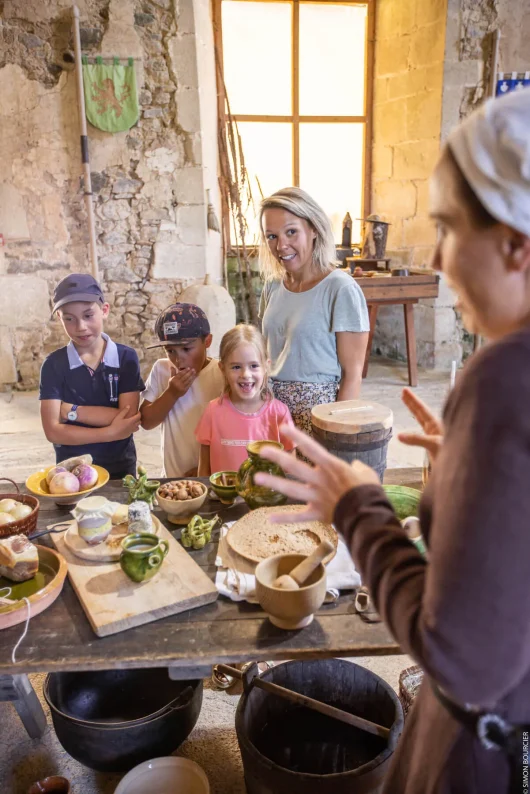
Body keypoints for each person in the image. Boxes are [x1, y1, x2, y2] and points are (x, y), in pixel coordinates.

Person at [254, 88, 530, 793]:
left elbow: (461, 656)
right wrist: (470, 479)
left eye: (447, 228)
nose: (436, 256)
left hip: (487, 751)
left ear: (516, 245)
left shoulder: (506, 378)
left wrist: (362, 507)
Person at [259, 187, 369, 435]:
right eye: (271, 236)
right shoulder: (272, 286)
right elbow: (266, 355)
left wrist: (335, 436)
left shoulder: (341, 289)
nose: (281, 245)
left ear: (314, 230)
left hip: (318, 417)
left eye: (291, 232)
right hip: (269, 413)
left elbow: (353, 375)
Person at [39, 274, 143, 478]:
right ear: (60, 318)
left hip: (119, 468)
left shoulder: (126, 358)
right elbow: (52, 431)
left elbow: (128, 418)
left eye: (88, 315)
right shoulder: (53, 365)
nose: (81, 327)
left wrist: (71, 411)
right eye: (69, 318)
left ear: (104, 310)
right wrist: (109, 432)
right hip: (71, 474)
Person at [196, 324, 296, 476]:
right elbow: (203, 471)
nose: (245, 374)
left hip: (267, 499)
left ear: (266, 367)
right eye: (236, 367)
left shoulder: (279, 413)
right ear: (222, 368)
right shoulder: (213, 411)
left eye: (254, 366)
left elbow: (290, 471)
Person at [140, 303, 224, 477]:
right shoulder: (161, 370)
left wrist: (205, 470)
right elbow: (146, 422)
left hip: (211, 476)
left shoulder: (221, 373)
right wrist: (172, 393)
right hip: (172, 478)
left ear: (207, 341)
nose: (179, 360)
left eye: (186, 349)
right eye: (170, 351)